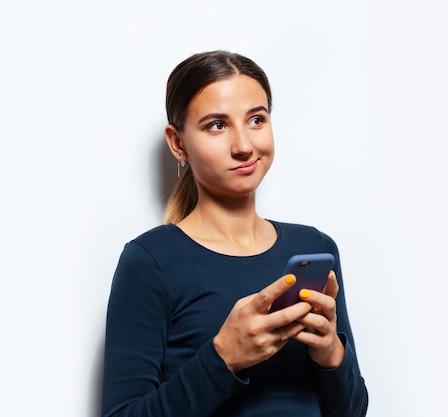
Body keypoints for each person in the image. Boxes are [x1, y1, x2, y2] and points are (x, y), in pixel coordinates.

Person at [101, 50, 368, 417]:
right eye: (217, 125)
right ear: (178, 143)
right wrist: (223, 357)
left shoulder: (315, 247)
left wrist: (330, 353)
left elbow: (353, 412)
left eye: (256, 119)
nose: (244, 146)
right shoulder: (150, 261)